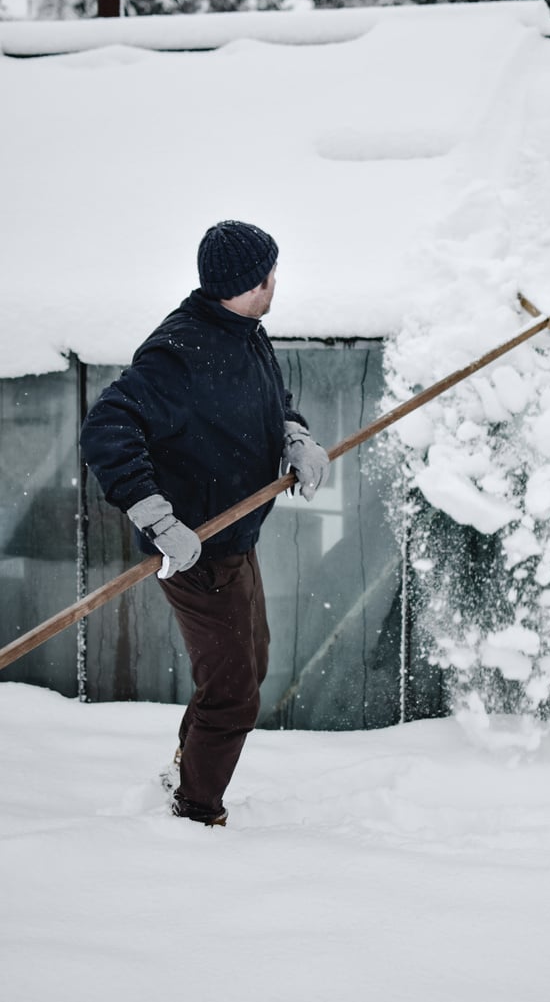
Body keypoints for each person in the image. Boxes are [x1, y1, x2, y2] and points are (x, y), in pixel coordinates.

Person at [80, 219, 329, 827]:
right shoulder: (180, 353)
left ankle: (185, 773)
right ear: (249, 281)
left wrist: (293, 436)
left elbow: (269, 400)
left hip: (236, 541)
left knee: (247, 667)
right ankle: (194, 815)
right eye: (269, 273)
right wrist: (157, 517)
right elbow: (107, 429)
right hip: (195, 552)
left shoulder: (245, 332)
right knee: (233, 694)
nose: (276, 282)